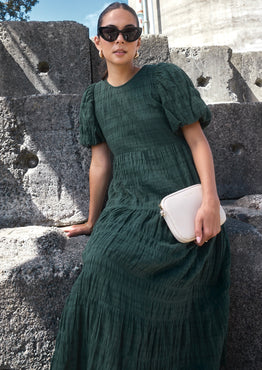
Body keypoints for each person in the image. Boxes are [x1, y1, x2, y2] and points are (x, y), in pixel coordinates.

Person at [51, 2, 230, 369]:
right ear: (97, 42)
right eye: (110, 33)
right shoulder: (94, 99)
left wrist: (210, 202)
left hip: (177, 201)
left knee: (169, 279)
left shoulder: (164, 78)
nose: (120, 39)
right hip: (126, 205)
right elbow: (101, 164)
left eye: (129, 32)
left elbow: (198, 142)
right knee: (100, 263)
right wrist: (90, 220)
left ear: (138, 41)